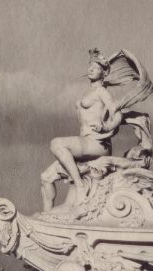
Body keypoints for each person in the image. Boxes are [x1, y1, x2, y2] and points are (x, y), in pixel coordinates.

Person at [40, 50, 122, 211]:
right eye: (89, 66)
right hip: (85, 142)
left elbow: (117, 114)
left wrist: (106, 127)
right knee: (45, 178)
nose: (91, 69)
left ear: (104, 73)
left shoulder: (102, 92)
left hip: (97, 143)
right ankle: (46, 216)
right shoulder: (89, 92)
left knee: (56, 143)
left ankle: (80, 187)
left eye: (96, 67)